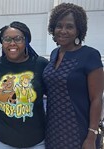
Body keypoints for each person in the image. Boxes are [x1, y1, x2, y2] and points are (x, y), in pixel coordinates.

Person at [42, 3, 104, 149]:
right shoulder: (54, 54)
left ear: (78, 30)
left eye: (69, 27)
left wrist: (91, 135)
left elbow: (97, 99)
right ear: (53, 28)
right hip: (53, 130)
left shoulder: (90, 55)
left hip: (79, 131)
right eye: (59, 26)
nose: (63, 31)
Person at [0, 21, 49, 149]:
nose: (12, 43)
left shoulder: (41, 64)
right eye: (7, 39)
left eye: (18, 39)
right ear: (2, 42)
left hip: (36, 139)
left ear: (26, 41)